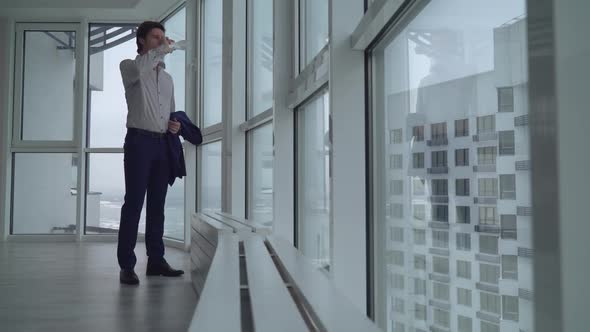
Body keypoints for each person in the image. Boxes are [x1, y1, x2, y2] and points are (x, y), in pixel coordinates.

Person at [117, 21, 183, 285]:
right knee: (133, 204)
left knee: (158, 206)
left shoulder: (167, 79)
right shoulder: (129, 67)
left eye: (164, 38)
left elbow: (171, 113)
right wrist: (160, 52)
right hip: (138, 143)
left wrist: (174, 125)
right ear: (142, 40)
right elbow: (142, 67)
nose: (161, 42)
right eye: (156, 37)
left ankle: (156, 261)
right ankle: (127, 266)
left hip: (161, 144)